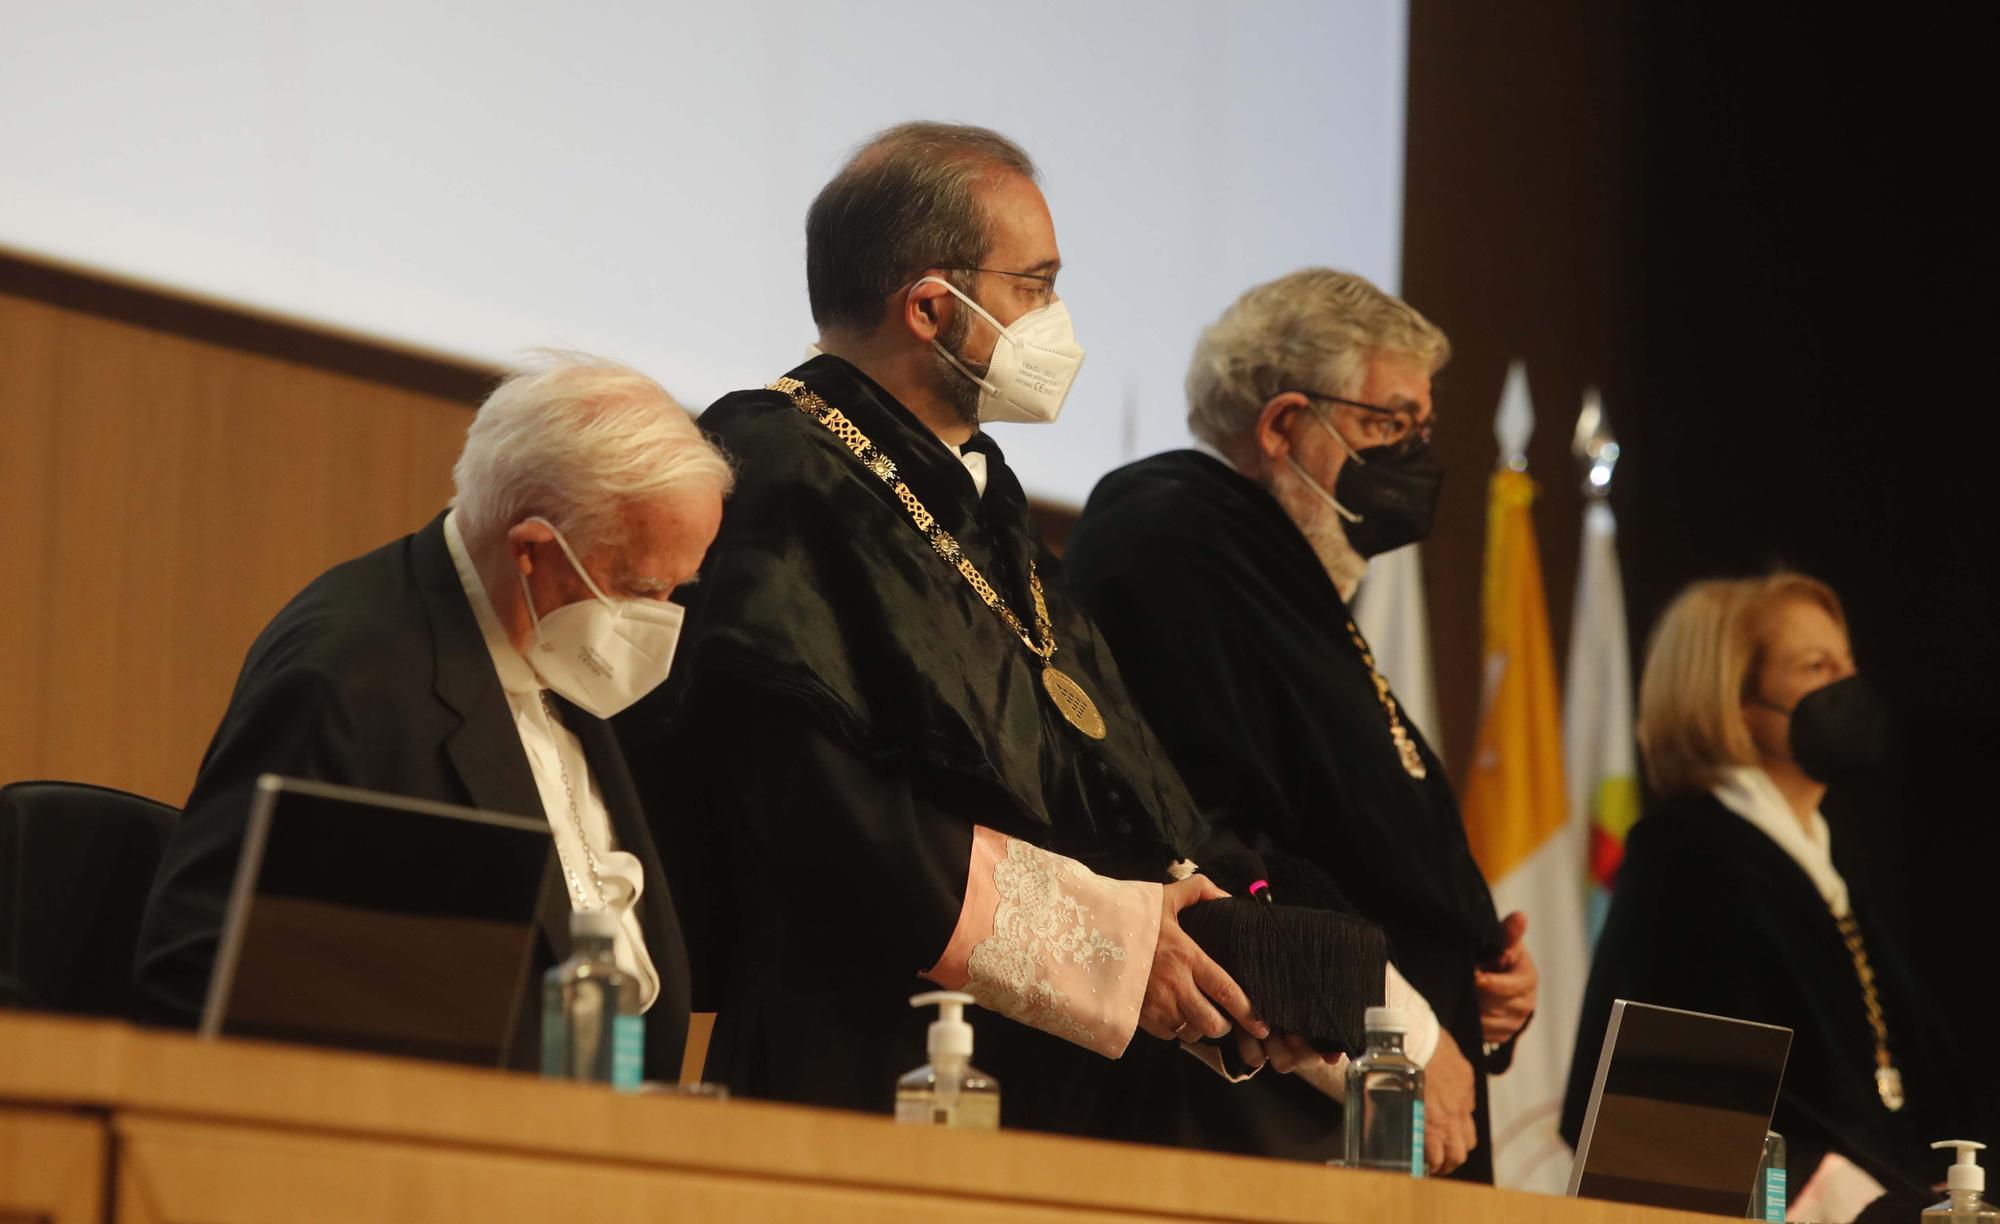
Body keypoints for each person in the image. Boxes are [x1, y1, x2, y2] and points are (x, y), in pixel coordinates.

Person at [624, 123, 1406, 1146]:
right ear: (929, 307)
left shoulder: (980, 499)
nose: (1057, 318)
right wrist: (1107, 949)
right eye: (1035, 285)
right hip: (865, 1065)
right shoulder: (780, 467)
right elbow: (812, 806)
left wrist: (1240, 955)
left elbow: (1110, 777)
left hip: (1057, 1081)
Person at [135, 352, 730, 1082]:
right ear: (533, 552)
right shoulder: (348, 677)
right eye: (640, 587)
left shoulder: (563, 645)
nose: (660, 619)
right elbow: (202, 973)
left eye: (677, 589)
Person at [1063, 268, 1526, 1176]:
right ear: (1283, 426)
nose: (1417, 457)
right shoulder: (1172, 538)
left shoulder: (1285, 577)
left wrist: (1472, 977)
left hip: (1370, 1112)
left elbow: (1351, 835)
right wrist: (1405, 1038)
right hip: (1261, 1116)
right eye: (1388, 425)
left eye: (1421, 431)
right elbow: (1211, 839)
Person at [1560, 573, 1991, 1198]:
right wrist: (1847, 1202)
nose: (1849, 686)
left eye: (1849, 663)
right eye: (1817, 667)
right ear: (1731, 701)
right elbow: (1657, 1127)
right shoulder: (1687, 858)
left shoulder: (1828, 876)